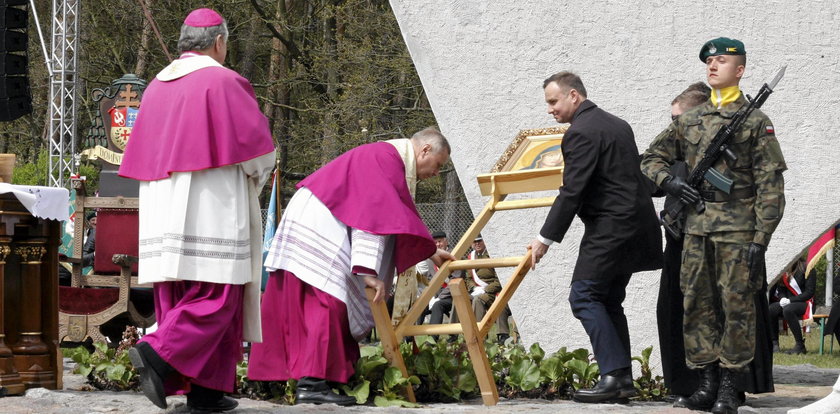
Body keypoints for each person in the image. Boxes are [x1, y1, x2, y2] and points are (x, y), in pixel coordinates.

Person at [118, 8, 276, 412]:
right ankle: (156, 353)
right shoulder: (223, 80)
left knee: (182, 294)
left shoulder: (155, 85)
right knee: (218, 295)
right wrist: (261, 174)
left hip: (161, 206)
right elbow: (258, 152)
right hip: (211, 203)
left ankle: (206, 393)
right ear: (220, 41)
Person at [247, 128, 456, 406]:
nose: (435, 173)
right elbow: (373, 214)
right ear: (425, 150)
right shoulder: (387, 158)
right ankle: (312, 385)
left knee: (315, 305)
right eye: (438, 165)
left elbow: (391, 216)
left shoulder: (386, 156)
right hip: (322, 223)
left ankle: (321, 379)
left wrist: (430, 251)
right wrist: (367, 271)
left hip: (319, 215)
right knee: (328, 305)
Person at [641, 37, 786, 414]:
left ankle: (728, 388)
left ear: (739, 70)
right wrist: (670, 182)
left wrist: (761, 238)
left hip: (738, 229)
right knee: (696, 306)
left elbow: (770, 185)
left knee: (736, 309)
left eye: (722, 61)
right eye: (709, 61)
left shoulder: (756, 122)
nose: (713, 65)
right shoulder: (690, 120)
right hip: (696, 229)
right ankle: (705, 383)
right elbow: (650, 158)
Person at [527, 71, 663, 403]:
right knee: (608, 301)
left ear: (574, 95)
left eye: (553, 101)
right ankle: (622, 380)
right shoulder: (618, 124)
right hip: (637, 227)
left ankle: (614, 375)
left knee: (584, 297)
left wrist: (544, 240)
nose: (550, 110)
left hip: (611, 230)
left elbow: (572, 191)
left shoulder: (580, 133)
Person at [657, 82, 775, 401]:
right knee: (685, 316)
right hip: (680, 243)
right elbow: (653, 174)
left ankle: (727, 388)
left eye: (678, 118)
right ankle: (695, 385)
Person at [769, 256, 816, 354]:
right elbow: (781, 290)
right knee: (771, 309)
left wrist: (790, 300)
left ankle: (800, 345)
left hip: (806, 304)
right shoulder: (784, 269)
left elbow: (809, 292)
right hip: (789, 303)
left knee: (788, 310)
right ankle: (774, 343)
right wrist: (782, 298)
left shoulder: (807, 268)